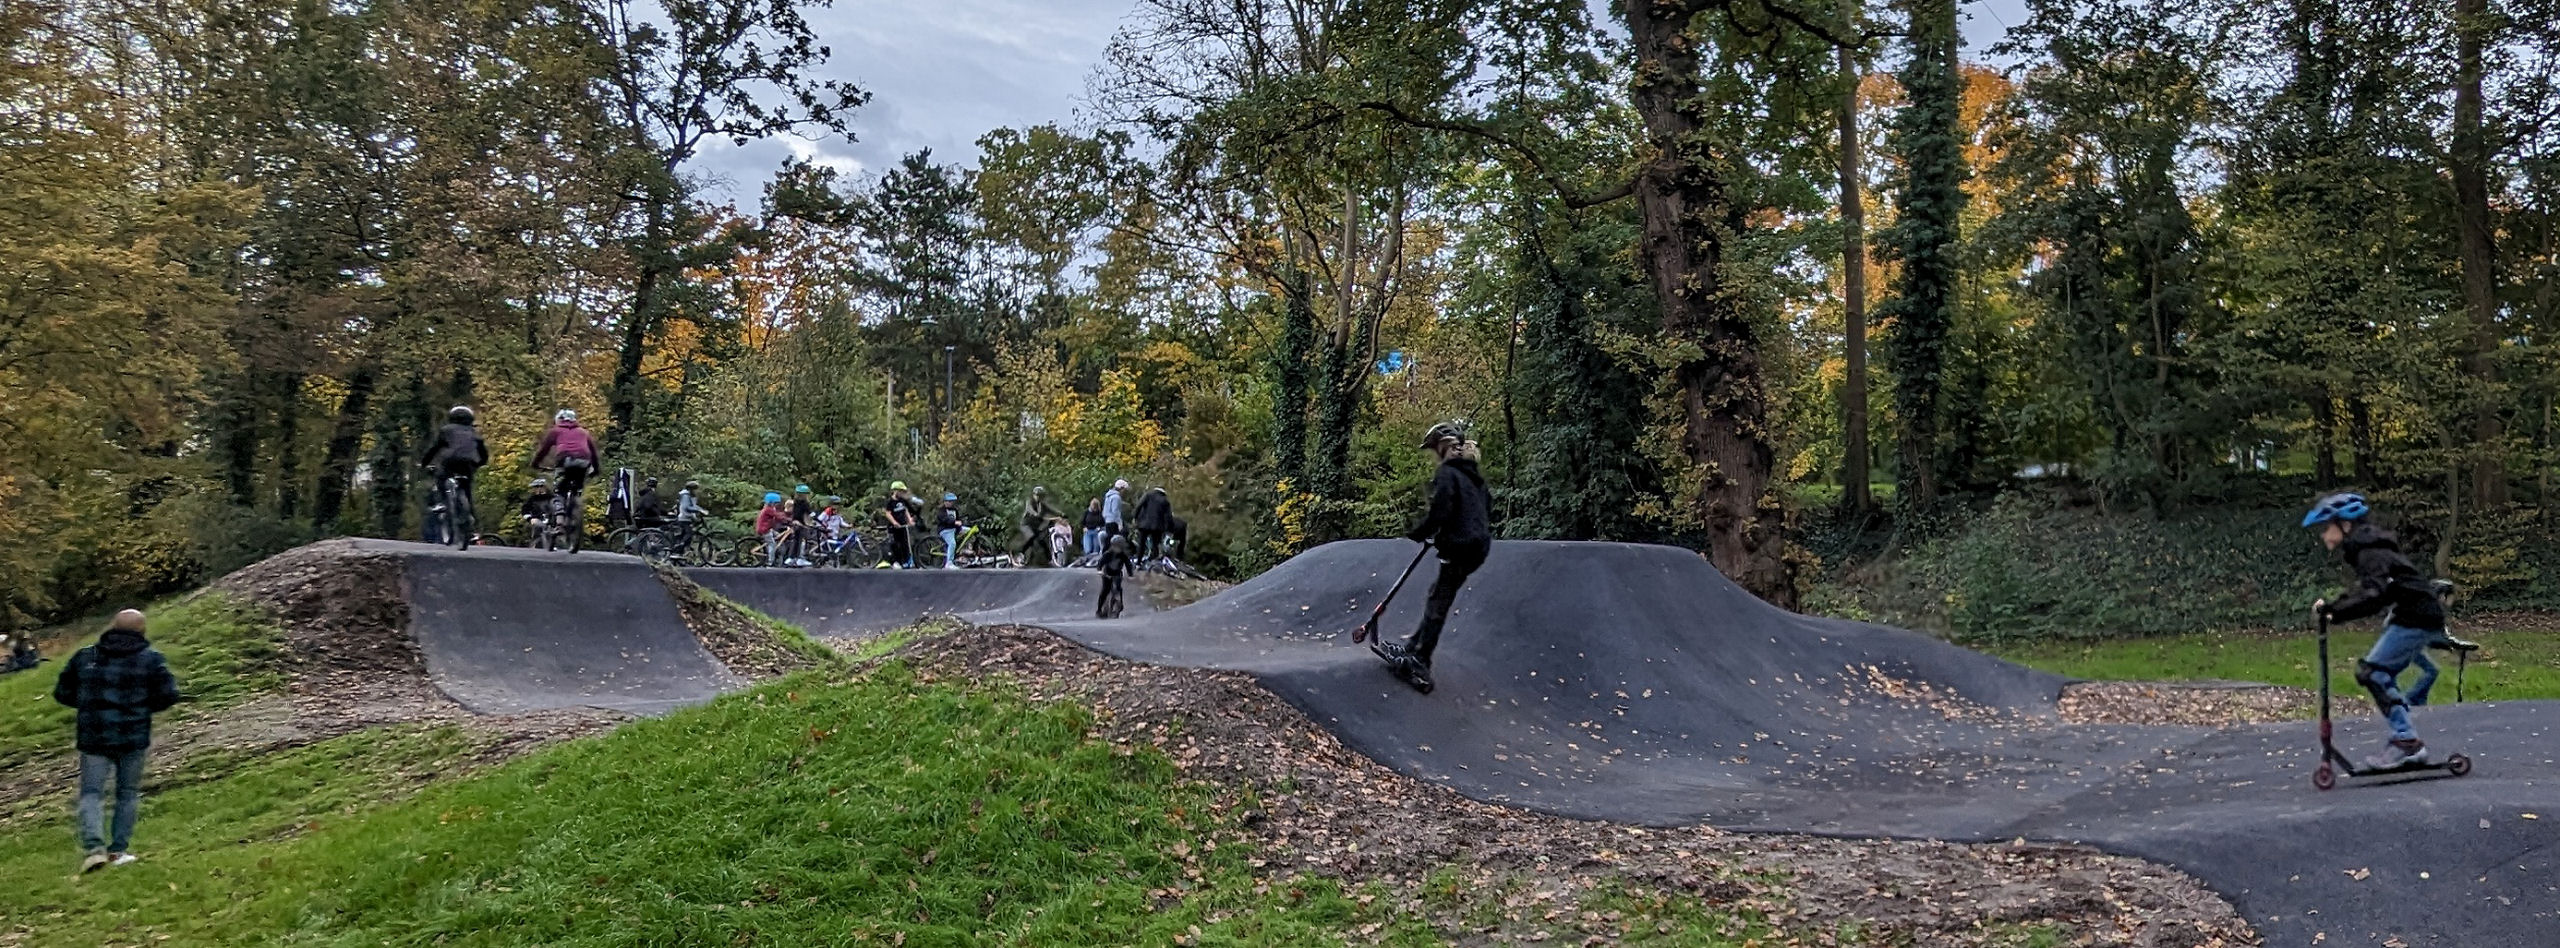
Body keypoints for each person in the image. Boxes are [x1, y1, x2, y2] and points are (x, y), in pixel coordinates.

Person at [2307, 492, 2454, 769]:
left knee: (2374, 672)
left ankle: (2406, 742)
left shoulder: (2369, 551)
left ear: (2345, 525)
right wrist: (2334, 607)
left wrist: (2334, 612)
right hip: (2409, 615)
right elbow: (2369, 591)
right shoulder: (2366, 547)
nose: (2323, 535)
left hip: (2417, 617)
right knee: (2376, 673)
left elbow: (2374, 595)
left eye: (2326, 527)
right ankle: (2406, 737)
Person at [52, 609, 180, 873]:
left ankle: (93, 849)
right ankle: (117, 851)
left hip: (94, 736)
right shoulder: (151, 660)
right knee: (127, 793)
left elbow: (62, 692)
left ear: (112, 626)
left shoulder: (86, 657)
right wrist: (142, 708)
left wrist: (89, 705)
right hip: (133, 736)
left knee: (91, 793)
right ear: (142, 631)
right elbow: (169, 695)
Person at [1373, 422, 1494, 695]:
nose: (1434, 456)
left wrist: (1422, 532)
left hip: (1461, 546)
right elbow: (1487, 505)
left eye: (1434, 450)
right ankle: (1414, 647)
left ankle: (1421, 659)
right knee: (1439, 594)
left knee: (1438, 600)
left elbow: (1442, 509)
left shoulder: (1448, 474)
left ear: (1443, 447)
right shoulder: (1474, 477)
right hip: (1478, 547)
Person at [418, 405, 489, 544]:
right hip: (468, 463)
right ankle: (470, 518)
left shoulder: (446, 430)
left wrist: (424, 463)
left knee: (441, 477)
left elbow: (435, 448)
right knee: (467, 491)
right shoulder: (473, 432)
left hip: (450, 461)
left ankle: (442, 502)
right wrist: (480, 463)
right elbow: (483, 452)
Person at [531, 410, 599, 527]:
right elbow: (593, 452)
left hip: (565, 460)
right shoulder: (583, 432)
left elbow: (544, 450)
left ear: (559, 420)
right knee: (577, 488)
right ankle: (575, 507)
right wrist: (596, 469)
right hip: (584, 462)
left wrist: (535, 464)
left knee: (558, 491)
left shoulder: (556, 431)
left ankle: (560, 518)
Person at [1017, 486, 1064, 567]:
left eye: (1041, 496)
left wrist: (1061, 514)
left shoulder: (1042, 504)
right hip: (1026, 524)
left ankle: (1050, 560)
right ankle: (1021, 553)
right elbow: (1031, 510)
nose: (1039, 498)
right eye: (1037, 496)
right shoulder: (1029, 502)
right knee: (1031, 537)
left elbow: (1051, 509)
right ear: (1034, 495)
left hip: (1035, 526)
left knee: (1042, 541)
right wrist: (1036, 514)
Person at [880, 482, 918, 569]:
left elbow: (905, 511)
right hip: (893, 527)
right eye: (900, 491)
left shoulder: (902, 501)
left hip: (903, 526)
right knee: (895, 545)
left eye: (903, 491)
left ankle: (905, 562)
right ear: (895, 491)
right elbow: (888, 513)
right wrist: (894, 522)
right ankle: (895, 562)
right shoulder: (890, 502)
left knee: (905, 544)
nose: (902, 493)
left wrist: (910, 520)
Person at [1134, 486, 1175, 561]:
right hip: (1157, 526)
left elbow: (1139, 506)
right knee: (1155, 544)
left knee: (1141, 543)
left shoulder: (1148, 495)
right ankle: (1153, 562)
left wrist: (1135, 517)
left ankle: (1138, 561)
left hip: (1144, 524)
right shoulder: (1165, 500)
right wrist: (1169, 528)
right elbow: (1168, 516)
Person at [1096, 534, 1132, 619]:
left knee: (1118, 588)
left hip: (1117, 573)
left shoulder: (1122, 555)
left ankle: (1119, 604)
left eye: (1121, 547)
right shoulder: (1108, 554)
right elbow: (1100, 563)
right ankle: (1099, 609)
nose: (1119, 549)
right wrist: (1100, 570)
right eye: (1118, 547)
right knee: (1105, 590)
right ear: (1113, 546)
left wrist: (1130, 574)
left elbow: (1128, 564)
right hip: (1107, 573)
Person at [754, 492, 792, 565]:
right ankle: (770, 561)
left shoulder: (770, 508)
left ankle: (778, 556)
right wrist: (789, 520)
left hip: (768, 528)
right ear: (771, 502)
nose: (777, 504)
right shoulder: (768, 509)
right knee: (772, 544)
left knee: (778, 536)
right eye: (776, 503)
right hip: (764, 530)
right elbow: (778, 516)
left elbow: (777, 517)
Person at [935, 493, 966, 569]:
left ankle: (965, 552)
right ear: (945, 502)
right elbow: (945, 519)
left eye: (952, 502)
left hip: (954, 529)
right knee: (952, 543)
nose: (951, 503)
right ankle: (949, 563)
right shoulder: (941, 510)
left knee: (970, 531)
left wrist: (960, 526)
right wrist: (954, 522)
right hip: (945, 530)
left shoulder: (954, 510)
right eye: (949, 501)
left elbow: (958, 519)